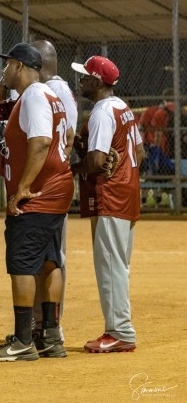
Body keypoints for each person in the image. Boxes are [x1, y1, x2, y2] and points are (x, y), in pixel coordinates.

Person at [0, 43, 73, 362]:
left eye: (7, 65)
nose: (4, 70)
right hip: (54, 189)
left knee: (22, 261)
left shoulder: (35, 95)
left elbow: (41, 143)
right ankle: (49, 334)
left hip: (38, 193)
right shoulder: (47, 95)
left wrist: (21, 187)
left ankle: (23, 340)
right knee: (50, 260)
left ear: (20, 67)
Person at [70, 56, 142, 353]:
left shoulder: (101, 112)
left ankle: (120, 332)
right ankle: (119, 329)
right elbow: (138, 150)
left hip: (110, 195)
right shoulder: (122, 107)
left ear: (98, 82)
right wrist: (83, 146)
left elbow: (98, 162)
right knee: (118, 265)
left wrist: (72, 169)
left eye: (86, 77)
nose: (81, 81)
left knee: (110, 266)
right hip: (128, 192)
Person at [29, 40, 77, 347]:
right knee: (39, 260)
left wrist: (50, 175)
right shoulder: (45, 90)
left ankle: (51, 327)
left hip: (50, 187)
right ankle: (40, 324)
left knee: (52, 259)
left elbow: (67, 139)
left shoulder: (56, 90)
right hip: (46, 185)